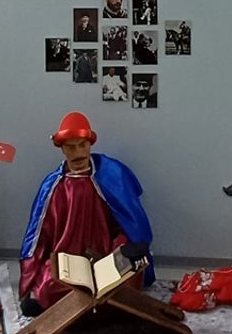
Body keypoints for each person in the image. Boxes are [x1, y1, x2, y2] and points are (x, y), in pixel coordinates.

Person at [19, 112, 153, 315]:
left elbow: (127, 223)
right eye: (71, 147)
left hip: (105, 256)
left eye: (82, 145)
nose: (78, 153)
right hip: (68, 263)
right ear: (62, 148)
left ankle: (100, 302)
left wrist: (121, 249)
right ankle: (100, 305)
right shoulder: (53, 186)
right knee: (47, 288)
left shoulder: (110, 175)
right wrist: (29, 277)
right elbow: (38, 238)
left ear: (90, 144)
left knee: (127, 276)